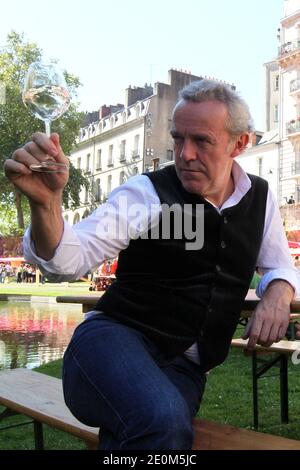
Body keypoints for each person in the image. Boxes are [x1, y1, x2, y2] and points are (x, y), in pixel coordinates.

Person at [5, 79, 300, 450]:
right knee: (160, 422)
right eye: (178, 138)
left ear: (240, 143)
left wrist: (278, 292)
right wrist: (46, 205)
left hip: (184, 366)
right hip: (110, 343)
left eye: (202, 141)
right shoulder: (146, 192)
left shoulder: (260, 197)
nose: (185, 153)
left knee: (158, 434)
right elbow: (68, 261)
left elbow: (280, 265)